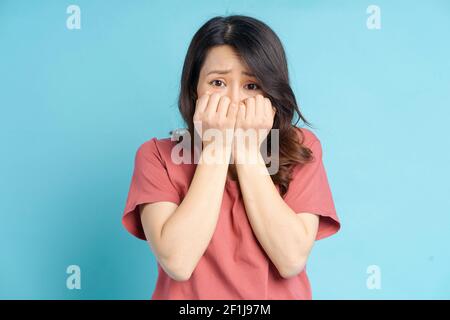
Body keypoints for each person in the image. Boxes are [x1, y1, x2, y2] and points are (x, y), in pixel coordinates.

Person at [122, 15, 341, 300]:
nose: (234, 100)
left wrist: (247, 150)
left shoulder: (300, 148)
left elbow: (290, 260)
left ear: (271, 94)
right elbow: (177, 262)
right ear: (194, 90)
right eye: (217, 82)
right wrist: (217, 147)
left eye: (252, 86)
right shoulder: (157, 156)